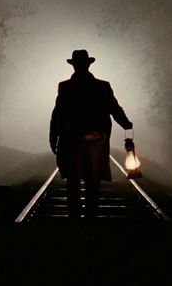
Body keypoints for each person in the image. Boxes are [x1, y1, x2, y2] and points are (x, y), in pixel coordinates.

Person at [49, 49, 133, 218]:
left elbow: (58, 113)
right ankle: (90, 215)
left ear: (74, 66)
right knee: (92, 178)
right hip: (95, 139)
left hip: (71, 139)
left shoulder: (65, 86)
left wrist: (53, 136)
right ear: (88, 64)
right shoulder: (102, 86)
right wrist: (125, 123)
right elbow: (114, 107)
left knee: (73, 180)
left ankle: (74, 216)